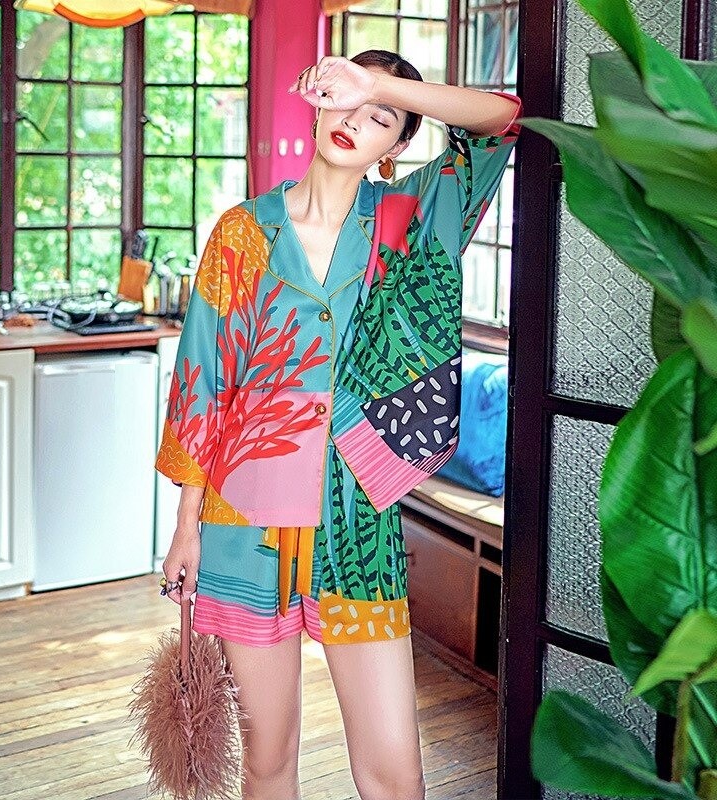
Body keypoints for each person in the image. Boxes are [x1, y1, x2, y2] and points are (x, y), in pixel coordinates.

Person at [156, 50, 521, 800]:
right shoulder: (242, 234)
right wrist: (185, 526)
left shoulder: (410, 218)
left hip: (358, 526)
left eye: (380, 118)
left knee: (394, 773)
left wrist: (377, 83)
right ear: (318, 101)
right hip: (241, 521)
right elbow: (203, 384)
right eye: (344, 101)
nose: (355, 121)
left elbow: (503, 121)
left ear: (398, 145)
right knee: (268, 758)